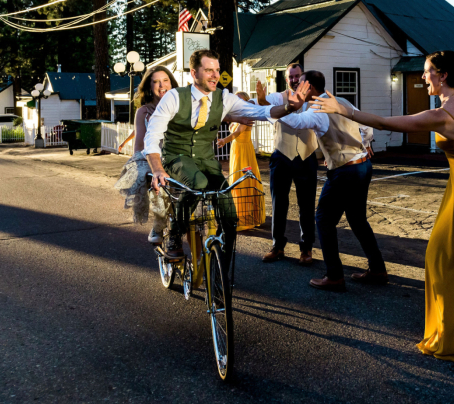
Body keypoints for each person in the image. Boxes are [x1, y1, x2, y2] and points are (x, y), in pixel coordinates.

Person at [311, 50, 454, 362]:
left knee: (443, 256)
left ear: (442, 76)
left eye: (426, 71)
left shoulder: (441, 115)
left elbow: (382, 121)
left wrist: (344, 110)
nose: (422, 77)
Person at [145, 49, 308, 261]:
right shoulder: (175, 97)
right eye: (209, 70)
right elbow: (153, 135)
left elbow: (260, 112)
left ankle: (223, 263)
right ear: (194, 74)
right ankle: (175, 233)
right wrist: (157, 169)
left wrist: (289, 107)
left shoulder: (224, 98)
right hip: (177, 156)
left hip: (206, 159)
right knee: (198, 182)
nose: (215, 75)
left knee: (230, 214)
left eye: (217, 70)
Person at [267, 70, 386, 292]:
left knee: (323, 220)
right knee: (358, 219)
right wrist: (363, 145)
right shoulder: (339, 100)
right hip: (363, 165)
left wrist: (275, 110)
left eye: (301, 85)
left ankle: (334, 275)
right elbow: (366, 128)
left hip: (345, 171)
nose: (298, 89)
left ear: (309, 88)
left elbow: (296, 121)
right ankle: (378, 269)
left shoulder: (317, 108)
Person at [255, 63, 318, 265]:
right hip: (282, 156)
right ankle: (277, 246)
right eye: (290, 77)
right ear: (286, 79)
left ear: (303, 78)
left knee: (307, 205)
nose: (293, 80)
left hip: (307, 156)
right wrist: (262, 99)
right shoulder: (278, 97)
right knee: (278, 204)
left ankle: (306, 249)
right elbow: (265, 104)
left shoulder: (314, 98)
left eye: (297, 76)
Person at [113, 66, 179, 244]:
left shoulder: (182, 106)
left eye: (165, 80)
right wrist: (148, 166)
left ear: (172, 84)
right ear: (150, 87)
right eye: (156, 82)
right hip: (153, 158)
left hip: (179, 156)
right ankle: (159, 225)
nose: (162, 85)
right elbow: (140, 145)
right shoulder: (144, 111)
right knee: (159, 184)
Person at [215, 91, 266, 231]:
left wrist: (225, 140)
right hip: (237, 149)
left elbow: (237, 132)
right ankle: (240, 211)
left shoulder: (246, 114)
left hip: (244, 151)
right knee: (237, 180)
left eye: (240, 100)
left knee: (242, 181)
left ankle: (244, 215)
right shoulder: (237, 115)